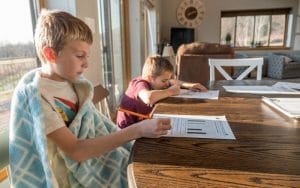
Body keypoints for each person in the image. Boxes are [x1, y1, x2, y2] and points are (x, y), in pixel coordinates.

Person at [9, 9, 171, 188]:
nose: (86, 63)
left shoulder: (73, 84)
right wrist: (138, 130)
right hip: (67, 180)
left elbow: (91, 123)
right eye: (80, 56)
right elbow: (76, 151)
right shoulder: (37, 98)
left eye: (87, 55)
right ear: (50, 54)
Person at [117, 55, 207, 129]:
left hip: (142, 122)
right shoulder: (139, 83)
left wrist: (189, 85)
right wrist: (170, 91)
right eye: (164, 81)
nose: (167, 83)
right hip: (128, 130)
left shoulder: (154, 80)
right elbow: (148, 98)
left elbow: (171, 81)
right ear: (150, 78)